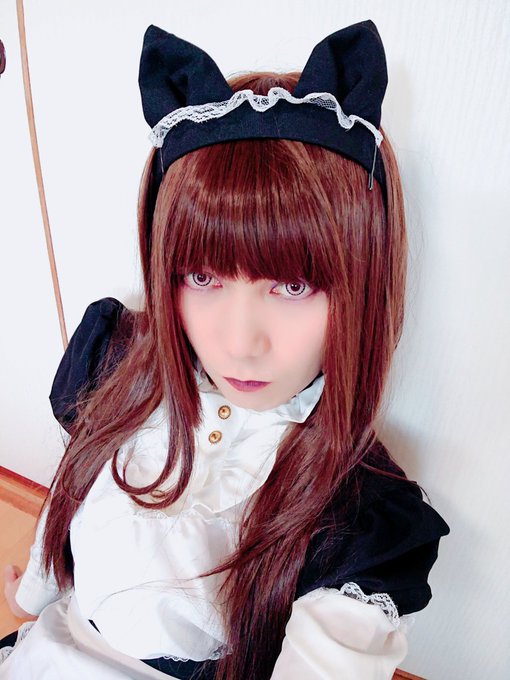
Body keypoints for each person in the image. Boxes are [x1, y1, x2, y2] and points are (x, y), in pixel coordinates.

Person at [1, 20, 449, 680]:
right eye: (202, 277)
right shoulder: (119, 364)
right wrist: (32, 599)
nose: (240, 343)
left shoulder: (357, 515)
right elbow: (74, 488)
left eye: (293, 285)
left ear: (364, 283)